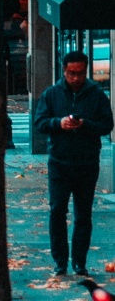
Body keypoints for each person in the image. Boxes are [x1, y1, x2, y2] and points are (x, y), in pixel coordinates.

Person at [33, 52, 114, 280]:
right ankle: (60, 262)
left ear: (85, 71)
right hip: (59, 162)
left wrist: (84, 124)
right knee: (57, 211)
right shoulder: (51, 94)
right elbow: (40, 122)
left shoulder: (96, 95)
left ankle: (80, 262)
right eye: (71, 74)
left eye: (79, 74)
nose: (75, 78)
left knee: (83, 214)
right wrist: (58, 123)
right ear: (64, 71)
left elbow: (107, 124)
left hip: (87, 163)